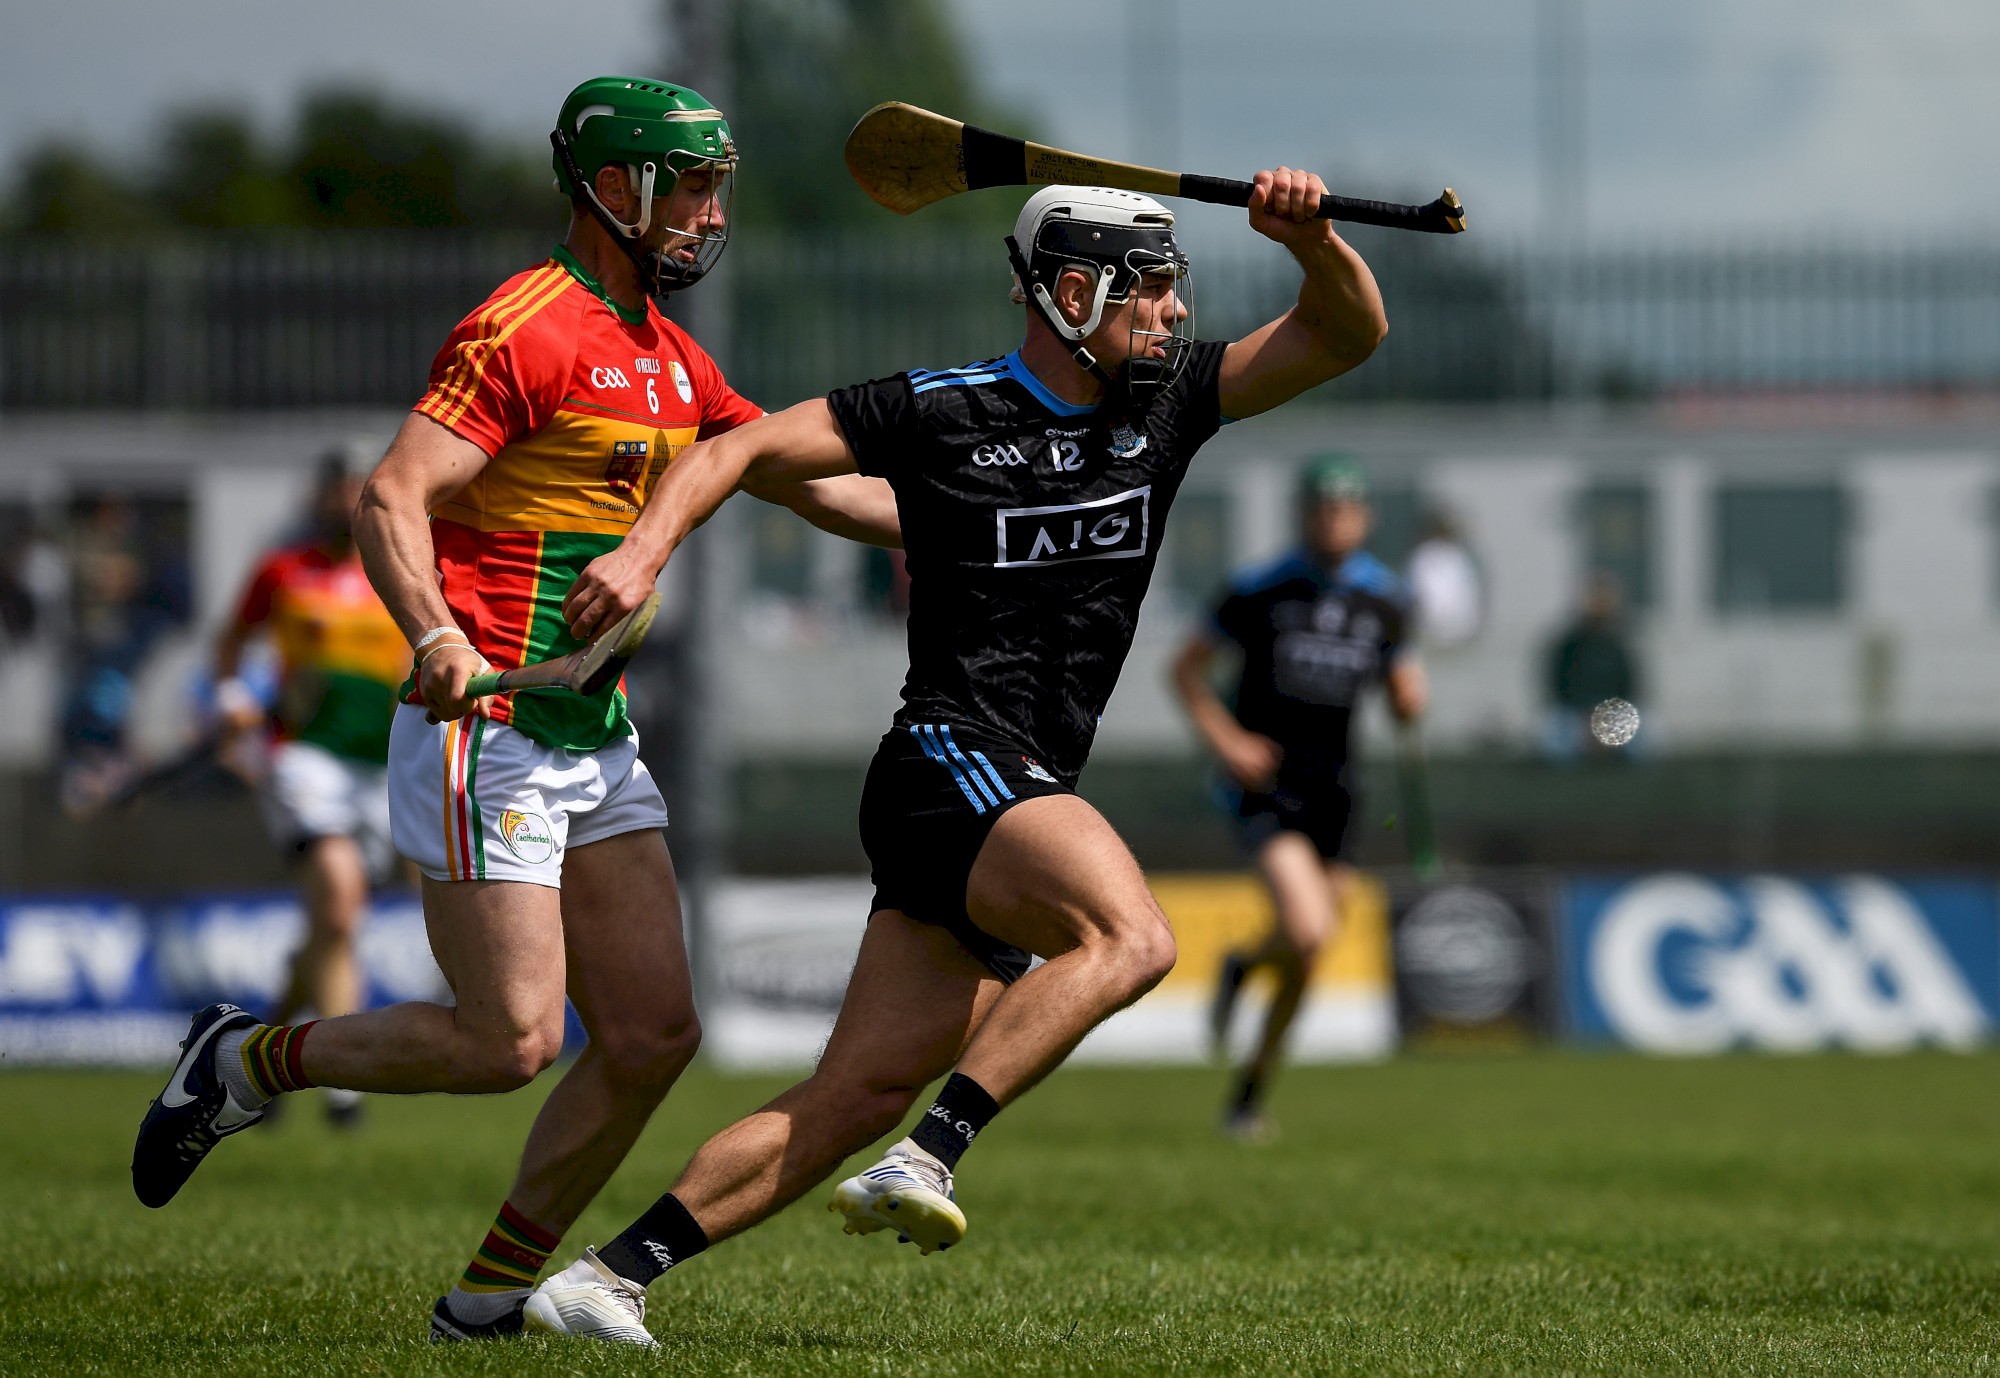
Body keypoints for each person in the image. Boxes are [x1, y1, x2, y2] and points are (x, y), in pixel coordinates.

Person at [515, 169, 1391, 1345]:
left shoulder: (1170, 401)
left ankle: (604, 1278)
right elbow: (742, 451)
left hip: (1019, 783)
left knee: (851, 1094)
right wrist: (643, 553)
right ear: (1072, 290)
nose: (1175, 313)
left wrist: (1314, 241)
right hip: (949, 757)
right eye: (1153, 291)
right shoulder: (935, 410)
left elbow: (1348, 330)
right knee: (1133, 936)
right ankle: (929, 1154)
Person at [130, 76, 901, 1342]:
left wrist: (979, 521)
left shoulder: (668, 353)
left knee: (654, 1033)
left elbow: (813, 486)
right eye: (689, 186)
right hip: (480, 731)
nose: (712, 214)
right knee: (510, 1042)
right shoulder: (524, 328)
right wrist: (432, 630)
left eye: (717, 187)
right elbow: (393, 495)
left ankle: (486, 1299)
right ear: (613, 188)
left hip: (588, 734)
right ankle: (243, 1060)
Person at [1171, 457, 1426, 1143]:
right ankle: (1249, 984)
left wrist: (1409, 699)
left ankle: (1249, 1084)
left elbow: (1402, 686)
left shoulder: (1387, 600)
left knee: (1305, 957)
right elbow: (1185, 671)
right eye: (1322, 507)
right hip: (1266, 786)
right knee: (1310, 929)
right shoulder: (1260, 591)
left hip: (1338, 792)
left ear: (1365, 518)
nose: (1333, 519)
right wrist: (1226, 742)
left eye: (1346, 508)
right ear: (1304, 514)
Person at [212, 447, 411, 1129]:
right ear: (320, 499)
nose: (346, 508)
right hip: (303, 759)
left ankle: (260, 1055)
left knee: (335, 922)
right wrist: (236, 698)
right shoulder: (283, 571)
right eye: (338, 495)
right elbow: (231, 643)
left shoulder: (401, 574)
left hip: (378, 764)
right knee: (338, 901)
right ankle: (341, 1085)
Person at [1544, 569, 1639, 758]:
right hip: (1576, 713)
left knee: (1645, 742)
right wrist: (1586, 718)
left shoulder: (1619, 642)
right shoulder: (1569, 643)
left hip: (1611, 713)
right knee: (1556, 744)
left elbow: (1630, 686)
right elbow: (1559, 685)